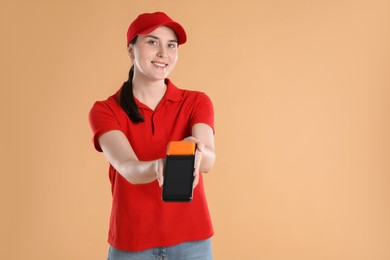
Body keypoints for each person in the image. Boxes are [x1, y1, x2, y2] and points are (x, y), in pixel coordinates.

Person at [88, 12, 216, 259]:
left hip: (193, 243)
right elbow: (127, 167)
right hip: (132, 242)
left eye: (171, 45)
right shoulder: (105, 110)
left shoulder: (196, 101)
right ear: (130, 49)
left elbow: (209, 160)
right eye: (152, 42)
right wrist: (160, 166)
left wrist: (198, 150)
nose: (163, 53)